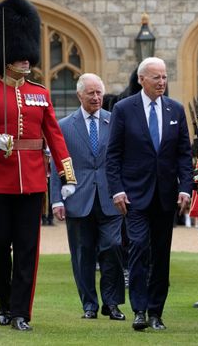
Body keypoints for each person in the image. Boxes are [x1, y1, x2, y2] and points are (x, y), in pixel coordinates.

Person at [0, 0, 77, 331]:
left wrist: (66, 174)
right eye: (20, 55)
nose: (26, 60)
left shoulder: (40, 93)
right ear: (6, 57)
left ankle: (20, 312)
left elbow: (54, 137)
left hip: (32, 181)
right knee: (0, 245)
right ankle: (3, 302)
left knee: (28, 248)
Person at [106, 56, 193, 331]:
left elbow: (184, 155)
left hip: (166, 196)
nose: (162, 82)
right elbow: (113, 155)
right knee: (139, 249)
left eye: (165, 77)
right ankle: (140, 310)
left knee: (161, 255)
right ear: (142, 79)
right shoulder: (124, 109)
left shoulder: (175, 110)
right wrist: (117, 190)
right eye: (156, 77)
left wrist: (185, 189)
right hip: (134, 195)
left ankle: (156, 312)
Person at [49, 73, 126, 321]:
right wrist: (57, 200)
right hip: (77, 199)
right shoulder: (64, 126)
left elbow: (122, 160)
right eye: (91, 93)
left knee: (113, 248)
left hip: (110, 197)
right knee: (82, 254)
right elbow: (56, 165)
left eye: (99, 93)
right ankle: (89, 305)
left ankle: (112, 303)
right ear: (79, 95)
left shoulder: (114, 122)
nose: (96, 97)